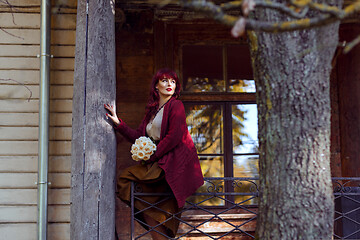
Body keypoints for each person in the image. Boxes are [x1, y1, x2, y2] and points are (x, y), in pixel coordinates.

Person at [104, 68, 204, 239]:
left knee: (131, 180)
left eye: (173, 81)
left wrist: (153, 155)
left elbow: (174, 136)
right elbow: (139, 137)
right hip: (157, 161)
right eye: (164, 80)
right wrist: (118, 123)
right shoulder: (152, 111)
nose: (169, 84)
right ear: (156, 86)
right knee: (129, 183)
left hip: (170, 164)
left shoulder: (176, 105)